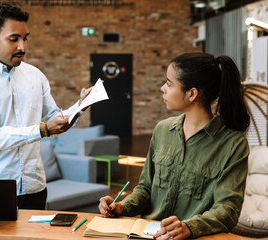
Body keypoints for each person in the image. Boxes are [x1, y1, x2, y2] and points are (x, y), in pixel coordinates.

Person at [99, 52, 250, 239]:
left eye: (169, 84)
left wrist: (189, 227)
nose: (162, 88)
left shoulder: (233, 144)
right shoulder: (162, 130)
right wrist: (122, 206)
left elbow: (227, 210)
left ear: (192, 93)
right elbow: (145, 188)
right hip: (145, 234)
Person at [0, 3, 91, 210]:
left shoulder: (35, 75)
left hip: (35, 186)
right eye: (14, 39)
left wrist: (80, 106)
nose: (23, 47)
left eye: (25, 38)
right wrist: (42, 130)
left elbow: (55, 117)